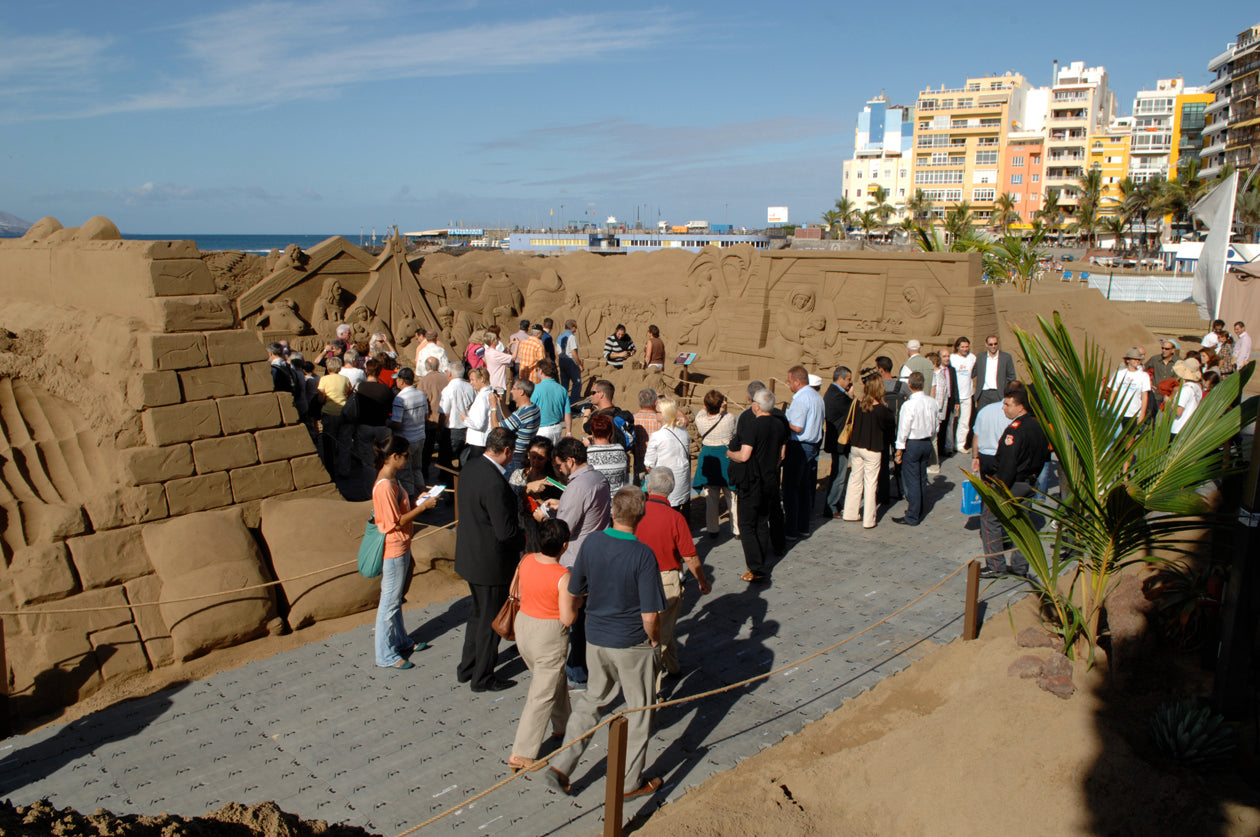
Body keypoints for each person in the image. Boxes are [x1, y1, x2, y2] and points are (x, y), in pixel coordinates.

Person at [543, 488, 666, 801]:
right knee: (639, 711)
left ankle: (562, 765)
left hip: (596, 638)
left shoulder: (593, 542)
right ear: (640, 517)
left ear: (613, 512)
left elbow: (576, 587)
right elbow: (650, 614)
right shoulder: (642, 555)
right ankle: (627, 783)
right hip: (630, 643)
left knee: (593, 700)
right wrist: (654, 640)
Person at [454, 427, 525, 692]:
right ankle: (482, 676)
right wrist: (525, 537)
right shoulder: (495, 483)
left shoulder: (471, 466)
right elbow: (506, 532)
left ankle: (468, 667)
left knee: (477, 615)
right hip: (490, 564)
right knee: (489, 621)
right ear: (506, 451)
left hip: (470, 556)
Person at [508, 518, 578, 772]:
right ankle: (522, 753)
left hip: (524, 624)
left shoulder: (526, 560)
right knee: (541, 693)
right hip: (548, 634)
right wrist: (578, 602)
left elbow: (515, 590)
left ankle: (563, 724)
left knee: (550, 680)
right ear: (564, 546)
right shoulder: (563, 576)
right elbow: (568, 618)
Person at [636, 468, 711, 689]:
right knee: (662, 634)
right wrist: (702, 581)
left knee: (659, 631)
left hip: (639, 580)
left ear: (649, 487)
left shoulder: (636, 512)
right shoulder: (676, 518)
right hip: (667, 580)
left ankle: (674, 666)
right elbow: (690, 556)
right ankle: (653, 689)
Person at [549, 436, 613, 687]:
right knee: (588, 617)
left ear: (571, 460)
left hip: (576, 559)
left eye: (560, 465)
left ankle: (577, 670)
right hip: (596, 554)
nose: (560, 470)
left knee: (574, 619)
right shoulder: (598, 478)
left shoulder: (577, 486)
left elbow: (564, 527)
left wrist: (546, 515)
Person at [371, 435, 438, 669]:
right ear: (393, 456)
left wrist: (417, 501)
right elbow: (394, 523)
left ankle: (400, 641)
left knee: (395, 600)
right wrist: (422, 508)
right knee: (389, 604)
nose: (408, 460)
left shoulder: (392, 480)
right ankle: (384, 654)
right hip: (394, 548)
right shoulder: (385, 486)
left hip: (402, 545)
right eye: (406, 455)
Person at [979, 386, 1049, 579]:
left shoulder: (1015, 430)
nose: (1004, 408)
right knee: (1021, 524)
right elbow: (1044, 455)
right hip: (1029, 482)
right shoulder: (1038, 425)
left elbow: (1008, 463)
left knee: (988, 520)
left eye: (1008, 404)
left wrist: (997, 488)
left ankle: (995, 565)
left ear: (1020, 408)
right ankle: (1020, 566)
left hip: (1012, 484)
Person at [727, 388, 787, 583]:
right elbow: (781, 455)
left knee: (746, 525)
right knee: (762, 521)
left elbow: (744, 456)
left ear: (757, 405)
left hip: (752, 480)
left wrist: (729, 454)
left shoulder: (753, 426)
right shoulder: (779, 425)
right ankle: (759, 561)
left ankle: (755, 567)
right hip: (770, 479)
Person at [842, 373, 895, 529]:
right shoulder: (883, 410)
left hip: (856, 447)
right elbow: (889, 429)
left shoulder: (858, 404)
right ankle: (869, 520)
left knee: (855, 479)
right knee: (870, 483)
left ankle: (850, 513)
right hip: (873, 448)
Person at [782, 365, 824, 540]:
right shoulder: (817, 397)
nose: (789, 384)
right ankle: (803, 527)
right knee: (805, 488)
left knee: (791, 489)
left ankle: (791, 529)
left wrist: (784, 420)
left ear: (797, 381)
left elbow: (797, 427)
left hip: (800, 447)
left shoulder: (801, 399)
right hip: (813, 446)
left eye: (790, 381)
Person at [892, 371, 938, 527]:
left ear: (910, 385)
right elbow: (935, 425)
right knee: (921, 478)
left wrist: (899, 450)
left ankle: (912, 515)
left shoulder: (909, 405)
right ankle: (919, 509)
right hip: (926, 442)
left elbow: (903, 429)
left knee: (912, 480)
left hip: (913, 443)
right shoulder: (932, 402)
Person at [694, 389, 738, 537]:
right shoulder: (729, 418)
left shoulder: (700, 419)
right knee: (731, 495)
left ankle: (712, 529)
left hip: (709, 456)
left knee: (711, 497)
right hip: (725, 457)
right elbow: (729, 425)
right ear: (721, 404)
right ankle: (737, 529)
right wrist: (723, 406)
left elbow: (703, 410)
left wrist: (711, 404)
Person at [388, 367, 429, 502]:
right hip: (420, 436)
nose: (396, 382)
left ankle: (410, 501)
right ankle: (425, 495)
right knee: (417, 468)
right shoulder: (421, 394)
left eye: (397, 379)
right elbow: (426, 416)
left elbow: (397, 423)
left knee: (405, 472)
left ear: (402, 381)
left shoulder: (400, 399)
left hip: (406, 440)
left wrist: (387, 422)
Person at [354, 358, 397, 487]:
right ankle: (386, 483)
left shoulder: (359, 387)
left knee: (367, 462)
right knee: (386, 459)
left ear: (366, 371)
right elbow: (391, 408)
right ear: (379, 372)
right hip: (381, 426)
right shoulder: (385, 389)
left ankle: (370, 489)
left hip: (364, 425)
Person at [643, 398, 691, 512]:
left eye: (657, 411)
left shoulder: (657, 436)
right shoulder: (684, 432)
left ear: (663, 414)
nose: (655, 413)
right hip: (682, 482)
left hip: (664, 485)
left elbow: (649, 464)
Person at [822, 366, 853, 519]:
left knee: (838, 473)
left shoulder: (834, 393)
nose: (850, 383)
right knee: (839, 475)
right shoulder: (838, 396)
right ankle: (831, 505)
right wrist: (851, 397)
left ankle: (833, 502)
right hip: (839, 442)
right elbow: (852, 409)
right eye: (848, 379)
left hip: (837, 441)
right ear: (840, 379)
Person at [317, 355, 354, 478]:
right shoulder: (345, 379)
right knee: (345, 442)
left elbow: (321, 397)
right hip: (344, 413)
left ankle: (330, 469)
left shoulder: (324, 380)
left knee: (329, 442)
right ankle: (344, 469)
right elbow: (348, 394)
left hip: (329, 412)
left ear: (328, 368)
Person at [495, 378, 540, 477]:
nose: (511, 391)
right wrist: (501, 402)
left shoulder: (521, 414)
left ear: (521, 392)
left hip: (515, 457)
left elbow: (496, 429)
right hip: (523, 454)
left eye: (513, 388)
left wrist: (493, 408)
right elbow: (511, 420)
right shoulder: (534, 408)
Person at [439, 361, 476, 469]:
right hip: (468, 429)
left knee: (446, 461)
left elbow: (444, 413)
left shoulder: (448, 390)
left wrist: (440, 428)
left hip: (452, 430)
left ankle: (448, 482)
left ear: (449, 374)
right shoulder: (470, 387)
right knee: (464, 460)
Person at [416, 357, 448, 482]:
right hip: (444, 419)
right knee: (444, 450)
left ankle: (424, 474)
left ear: (426, 367)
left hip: (430, 420)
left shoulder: (424, 381)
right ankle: (443, 474)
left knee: (427, 449)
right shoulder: (445, 378)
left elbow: (420, 398)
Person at [462, 367, 501, 463]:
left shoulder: (482, 397)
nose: (470, 383)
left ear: (482, 379)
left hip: (479, 442)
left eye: (472, 380)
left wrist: (465, 419)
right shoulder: (489, 394)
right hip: (484, 440)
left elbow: (478, 424)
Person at [585, 413, 630, 492]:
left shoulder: (588, 453)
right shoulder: (620, 450)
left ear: (592, 432)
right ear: (610, 432)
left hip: (599, 500)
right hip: (618, 500)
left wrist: (587, 446)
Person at [1107, 347, 1151, 426]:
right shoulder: (1119, 374)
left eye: (1139, 359)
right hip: (1118, 412)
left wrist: (1142, 414)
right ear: (1128, 360)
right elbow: (1113, 393)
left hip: (1134, 413)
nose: (1137, 361)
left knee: (1130, 437)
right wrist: (1112, 408)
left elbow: (1145, 397)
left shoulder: (1144, 376)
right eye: (1134, 359)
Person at [972, 334, 1016, 412]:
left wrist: (1006, 390)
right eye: (991, 344)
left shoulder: (1006, 357)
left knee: (998, 417)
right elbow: (972, 373)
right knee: (983, 417)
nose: (993, 346)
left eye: (995, 344)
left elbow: (1012, 377)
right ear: (986, 344)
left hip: (999, 393)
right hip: (983, 394)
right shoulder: (980, 357)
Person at [532, 359, 572, 443]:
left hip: (541, 430)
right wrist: (568, 432)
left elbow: (529, 411)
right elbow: (567, 413)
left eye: (537, 370)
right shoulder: (562, 390)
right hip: (557, 429)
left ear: (541, 371)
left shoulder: (535, 389)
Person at [949, 337, 977, 452]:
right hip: (954, 395)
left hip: (967, 394)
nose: (965, 349)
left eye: (967, 346)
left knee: (965, 421)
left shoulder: (972, 358)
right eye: (962, 347)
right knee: (950, 421)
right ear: (957, 347)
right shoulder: (952, 358)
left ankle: (960, 445)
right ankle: (948, 445)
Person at [632, 388, 662, 484]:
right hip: (657, 459)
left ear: (638, 402)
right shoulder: (661, 420)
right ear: (655, 403)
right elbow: (683, 421)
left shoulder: (632, 419)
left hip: (638, 459)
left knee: (639, 488)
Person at [1170, 357, 1203, 436]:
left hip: (1179, 428)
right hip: (1190, 427)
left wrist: (1168, 401)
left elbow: (1178, 412)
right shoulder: (1197, 388)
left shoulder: (1185, 390)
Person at [938, 347, 960, 457]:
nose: (947, 358)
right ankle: (938, 448)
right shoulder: (937, 370)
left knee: (948, 425)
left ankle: (947, 448)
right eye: (944, 356)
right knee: (940, 425)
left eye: (948, 356)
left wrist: (957, 401)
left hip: (950, 400)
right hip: (941, 401)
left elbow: (955, 385)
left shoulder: (952, 370)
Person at [557, 318, 584, 407]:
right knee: (577, 382)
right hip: (570, 362)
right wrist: (579, 364)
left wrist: (558, 363)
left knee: (564, 383)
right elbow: (573, 353)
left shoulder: (560, 336)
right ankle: (573, 403)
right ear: (572, 327)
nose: (576, 329)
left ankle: (563, 402)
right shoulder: (572, 337)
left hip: (562, 360)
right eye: (575, 327)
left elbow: (557, 352)